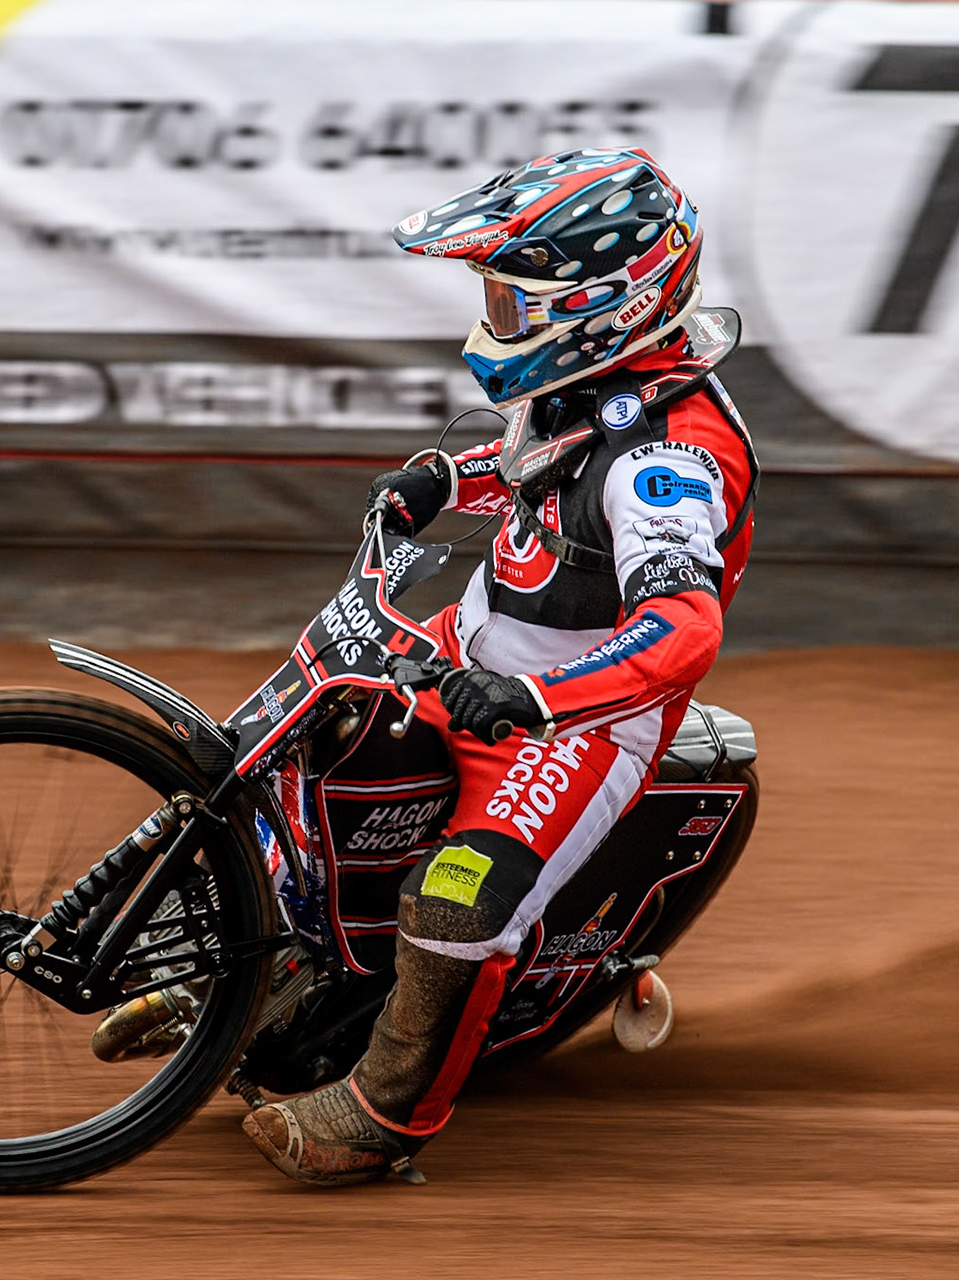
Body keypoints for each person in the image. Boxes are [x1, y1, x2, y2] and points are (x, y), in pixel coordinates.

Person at [241, 148, 759, 1186]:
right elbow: (540, 461)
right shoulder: (597, 381)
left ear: (603, 305)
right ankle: (228, 969)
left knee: (457, 896)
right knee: (302, 756)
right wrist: (447, 477)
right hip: (469, 651)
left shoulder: (670, 461)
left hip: (576, 721)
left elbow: (681, 629)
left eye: (514, 302)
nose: (495, 321)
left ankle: (384, 1113)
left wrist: (535, 697)